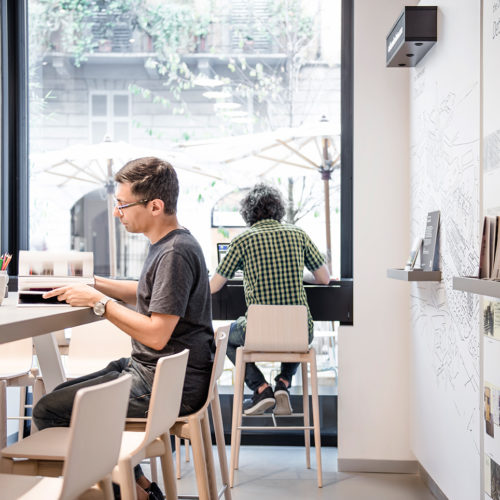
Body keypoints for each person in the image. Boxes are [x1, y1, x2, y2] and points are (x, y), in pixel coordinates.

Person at [34, 157, 215, 500]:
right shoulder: (171, 244)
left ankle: (125, 491)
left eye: (123, 204)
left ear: (155, 206)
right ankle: (140, 488)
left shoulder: (174, 252)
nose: (117, 212)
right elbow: (143, 291)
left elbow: (156, 334)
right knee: (65, 394)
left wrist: (99, 304)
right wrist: (91, 283)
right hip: (157, 373)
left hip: (163, 383)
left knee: (49, 410)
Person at [210, 183, 330, 416]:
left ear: (248, 212)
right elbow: (324, 278)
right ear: (279, 209)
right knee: (296, 333)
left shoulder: (242, 240)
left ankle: (261, 388)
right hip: (300, 332)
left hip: (258, 332)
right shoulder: (298, 234)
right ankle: (283, 384)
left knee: (223, 337)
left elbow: (214, 286)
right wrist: (299, 274)